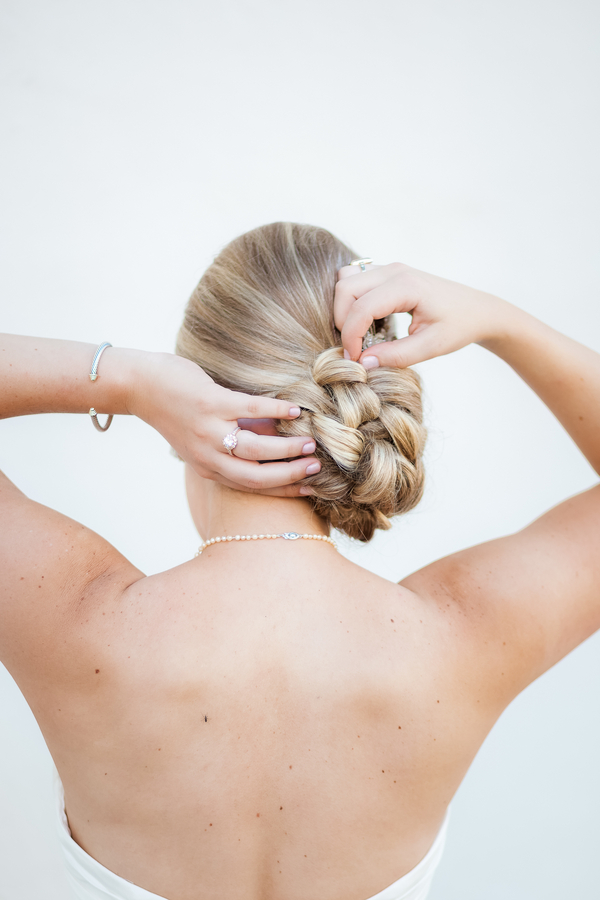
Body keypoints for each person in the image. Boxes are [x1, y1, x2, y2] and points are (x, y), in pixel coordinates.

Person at [1, 222, 598, 900]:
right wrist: (500, 320)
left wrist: (123, 379)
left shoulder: (71, 615)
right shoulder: (463, 635)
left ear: (189, 405)